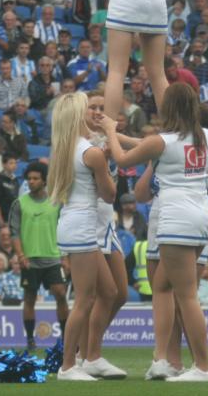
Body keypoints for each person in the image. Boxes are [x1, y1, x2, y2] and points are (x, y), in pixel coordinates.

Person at [99, 82, 208, 382]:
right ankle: (165, 361)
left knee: (187, 297)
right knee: (162, 287)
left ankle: (203, 367)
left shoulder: (162, 142)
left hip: (177, 218)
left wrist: (110, 131)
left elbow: (124, 159)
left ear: (169, 108)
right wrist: (120, 135)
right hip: (202, 216)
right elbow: (145, 145)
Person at [47, 92, 115, 381]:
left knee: (109, 291)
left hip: (74, 222)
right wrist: (107, 163)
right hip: (83, 226)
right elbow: (109, 195)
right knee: (85, 299)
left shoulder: (67, 148)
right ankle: (68, 365)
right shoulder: (90, 152)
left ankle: (90, 357)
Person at [79, 92, 128, 379]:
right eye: (92, 108)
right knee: (99, 293)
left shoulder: (110, 138)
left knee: (120, 294)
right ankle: (87, 353)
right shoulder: (80, 143)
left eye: (102, 108)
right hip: (88, 221)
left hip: (107, 222)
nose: (98, 112)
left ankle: (87, 349)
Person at [8, 161, 69, 351]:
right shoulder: (20, 203)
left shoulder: (56, 202)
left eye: (35, 178)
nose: (31, 182)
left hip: (53, 257)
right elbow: (14, 232)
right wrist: (20, 255)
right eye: (29, 179)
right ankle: (30, 340)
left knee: (60, 294)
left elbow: (64, 229)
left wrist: (65, 256)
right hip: (30, 260)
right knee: (29, 298)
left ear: (44, 180)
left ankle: (66, 338)